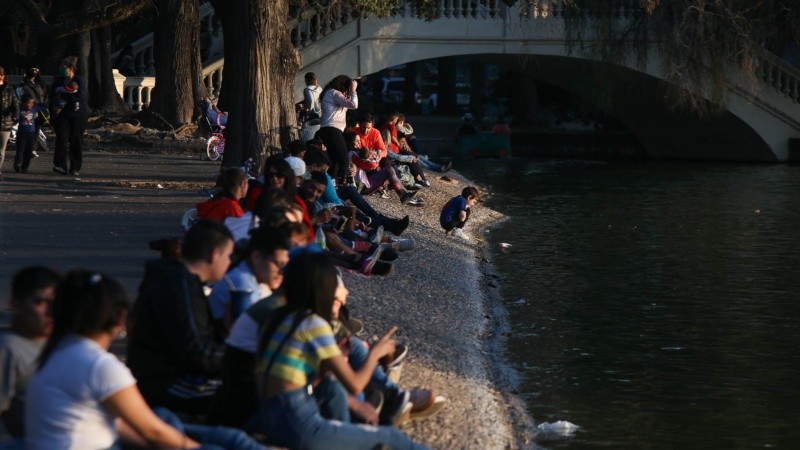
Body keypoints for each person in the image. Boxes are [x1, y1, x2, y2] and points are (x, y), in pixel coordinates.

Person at [25, 270, 265, 450]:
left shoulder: (54, 354)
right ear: (121, 320)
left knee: (170, 418)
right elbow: (153, 432)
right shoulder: (99, 365)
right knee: (218, 442)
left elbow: (118, 425)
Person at [256, 252, 426, 449]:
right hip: (298, 422)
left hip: (267, 416)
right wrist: (375, 354)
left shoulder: (276, 318)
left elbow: (294, 376)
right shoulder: (313, 324)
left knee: (333, 391)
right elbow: (355, 385)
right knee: (392, 437)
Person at [126, 220, 235, 415]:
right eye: (228, 256)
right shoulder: (180, 286)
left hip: (161, 377)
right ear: (214, 255)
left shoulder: (180, 280)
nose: (229, 263)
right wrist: (246, 358)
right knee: (243, 394)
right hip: (165, 384)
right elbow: (199, 352)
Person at [0, 267, 59, 440]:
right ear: (15, 305)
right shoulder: (8, 347)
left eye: (55, 304)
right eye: (40, 302)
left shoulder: (65, 343)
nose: (50, 312)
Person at [49, 56, 90, 176]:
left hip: (78, 114)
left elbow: (79, 96)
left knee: (75, 140)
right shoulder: (58, 81)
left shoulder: (79, 80)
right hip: (62, 115)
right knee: (62, 138)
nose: (61, 69)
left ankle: (75, 167)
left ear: (71, 68)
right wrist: (55, 106)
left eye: (64, 67)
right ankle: (60, 165)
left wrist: (63, 96)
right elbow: (52, 95)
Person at [318, 75, 358, 183]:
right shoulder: (334, 93)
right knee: (344, 160)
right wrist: (353, 90)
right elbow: (354, 104)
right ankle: (341, 185)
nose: (347, 92)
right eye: (347, 89)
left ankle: (331, 184)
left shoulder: (330, 93)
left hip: (328, 129)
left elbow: (347, 103)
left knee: (334, 161)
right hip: (332, 129)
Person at [16, 67, 49, 159]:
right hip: (27, 108)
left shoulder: (40, 83)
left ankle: (32, 149)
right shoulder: (24, 84)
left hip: (38, 109)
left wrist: (44, 105)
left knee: (36, 129)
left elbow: (44, 95)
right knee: (25, 128)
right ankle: (25, 149)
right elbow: (20, 95)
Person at [13, 95, 46, 174]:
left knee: (29, 151)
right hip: (22, 133)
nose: (30, 105)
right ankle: (18, 164)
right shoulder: (20, 110)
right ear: (24, 103)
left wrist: (36, 101)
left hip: (31, 133)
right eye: (28, 103)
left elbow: (43, 105)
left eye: (32, 103)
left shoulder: (34, 109)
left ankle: (25, 167)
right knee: (20, 150)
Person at [0, 66, 20, 181]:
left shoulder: (9, 89)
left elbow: (15, 104)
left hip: (5, 123)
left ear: (2, 76)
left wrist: (15, 116)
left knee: (1, 150)